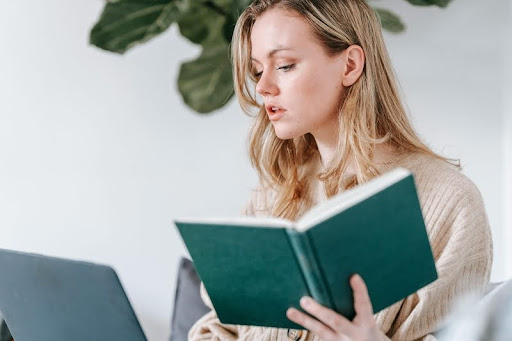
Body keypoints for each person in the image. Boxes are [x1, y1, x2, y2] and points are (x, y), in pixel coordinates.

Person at [188, 0, 493, 340]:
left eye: (285, 65)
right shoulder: (273, 194)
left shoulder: (448, 201)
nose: (262, 87)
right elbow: (217, 325)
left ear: (349, 65)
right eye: (258, 70)